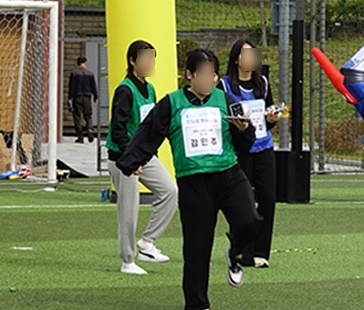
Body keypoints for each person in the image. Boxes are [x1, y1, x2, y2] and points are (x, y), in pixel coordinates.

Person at [117, 48, 262, 310]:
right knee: (197, 250)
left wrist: (244, 129)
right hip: (194, 183)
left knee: (249, 221)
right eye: (204, 74)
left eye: (214, 75)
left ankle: (235, 252)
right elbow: (147, 133)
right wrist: (130, 162)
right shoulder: (171, 103)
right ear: (189, 75)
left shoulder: (225, 100)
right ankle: (197, 305)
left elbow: (246, 141)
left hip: (229, 175)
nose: (210, 80)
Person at [106, 40, 177, 275]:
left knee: (170, 191)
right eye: (145, 59)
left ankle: (147, 243)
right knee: (129, 209)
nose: (150, 63)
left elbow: (153, 126)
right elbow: (118, 130)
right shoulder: (125, 90)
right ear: (133, 61)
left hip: (143, 156)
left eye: (152, 58)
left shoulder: (151, 89)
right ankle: (127, 260)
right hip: (122, 157)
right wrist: (131, 159)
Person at [217, 39, 280, 269]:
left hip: (264, 148)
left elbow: (267, 117)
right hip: (239, 152)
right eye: (246, 54)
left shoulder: (262, 82)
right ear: (236, 59)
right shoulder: (224, 87)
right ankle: (242, 250)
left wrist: (271, 118)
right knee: (243, 203)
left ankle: (261, 252)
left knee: (267, 200)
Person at [68, 56, 98, 143]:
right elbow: (93, 86)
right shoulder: (90, 74)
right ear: (86, 62)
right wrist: (95, 97)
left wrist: (70, 98)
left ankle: (80, 136)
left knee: (77, 116)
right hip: (87, 97)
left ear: (78, 63)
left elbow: (71, 87)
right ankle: (90, 129)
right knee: (88, 115)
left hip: (77, 97)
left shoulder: (74, 74)